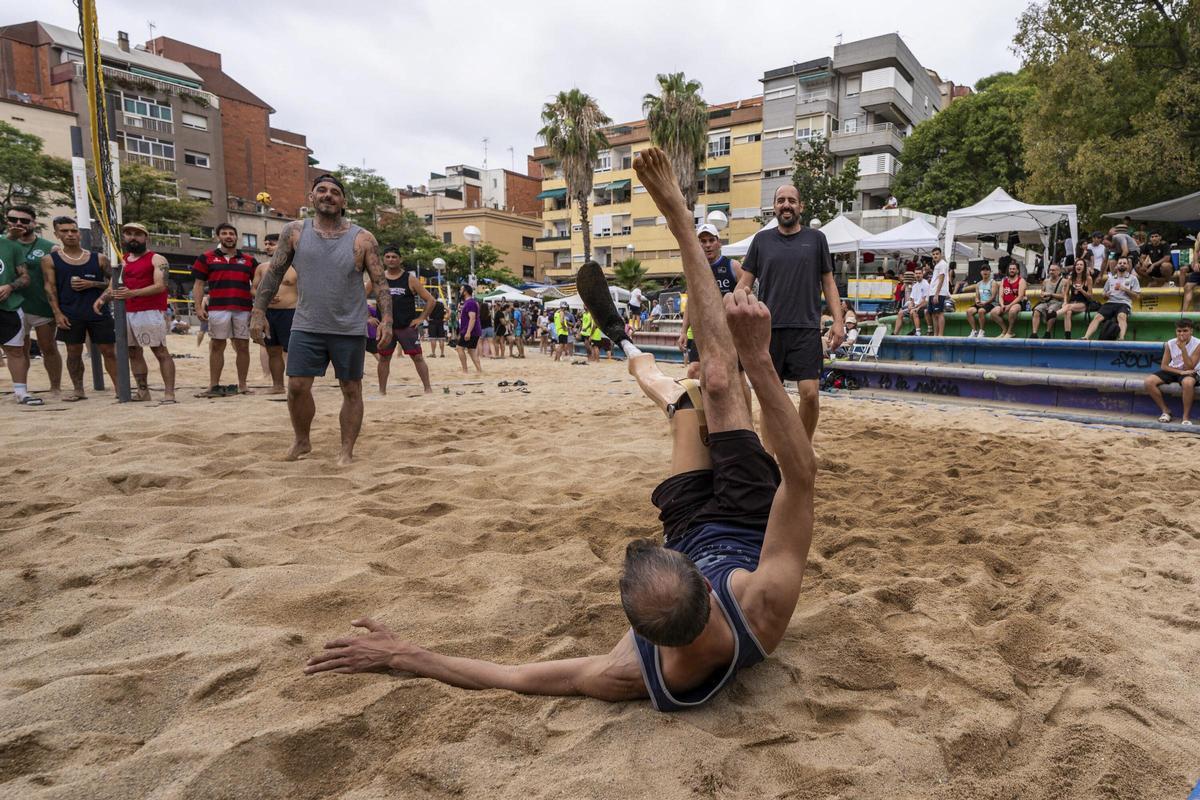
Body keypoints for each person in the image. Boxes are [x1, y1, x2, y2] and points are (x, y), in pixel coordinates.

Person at [304, 148, 818, 712]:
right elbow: (800, 478)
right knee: (720, 378)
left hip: (695, 524)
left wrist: (410, 657)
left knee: (687, 401)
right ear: (698, 587)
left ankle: (640, 361)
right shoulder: (760, 601)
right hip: (747, 525)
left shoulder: (625, 670)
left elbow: (517, 676)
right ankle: (676, 225)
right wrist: (758, 360)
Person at [250, 174, 392, 467]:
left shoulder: (363, 238)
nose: (328, 195)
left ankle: (346, 451)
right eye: (322, 191)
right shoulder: (294, 232)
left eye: (335, 192)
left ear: (344, 202)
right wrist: (258, 312)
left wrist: (387, 320)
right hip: (306, 323)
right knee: (297, 387)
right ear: (311, 197)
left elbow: (380, 282)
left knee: (351, 388)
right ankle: (302, 441)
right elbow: (274, 273)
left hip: (348, 326)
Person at [735, 183, 843, 439]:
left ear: (800, 206)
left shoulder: (816, 239)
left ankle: (802, 447)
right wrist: (732, 308)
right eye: (781, 200)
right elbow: (745, 284)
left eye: (792, 201)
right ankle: (770, 458)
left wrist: (839, 322)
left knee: (810, 393)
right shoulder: (761, 240)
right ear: (774, 206)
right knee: (771, 398)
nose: (786, 205)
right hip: (768, 331)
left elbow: (828, 283)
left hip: (806, 328)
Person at [95, 222, 176, 403]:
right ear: (124, 237)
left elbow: (161, 285)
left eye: (138, 234)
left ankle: (169, 392)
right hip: (126, 311)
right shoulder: (121, 260)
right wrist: (102, 299)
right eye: (129, 234)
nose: (133, 237)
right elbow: (112, 286)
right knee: (133, 352)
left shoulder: (157, 259)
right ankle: (143, 391)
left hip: (150, 311)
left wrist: (133, 293)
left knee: (160, 351)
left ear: (146, 237)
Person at [41, 216, 118, 400]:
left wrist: (93, 285)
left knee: (108, 350)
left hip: (98, 311)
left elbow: (114, 281)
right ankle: (78, 389)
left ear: (80, 234)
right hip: (70, 311)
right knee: (73, 352)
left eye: (73, 230)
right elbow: (49, 287)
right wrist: (57, 313)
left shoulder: (98, 258)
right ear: (57, 234)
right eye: (64, 231)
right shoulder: (49, 260)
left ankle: (119, 387)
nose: (70, 234)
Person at [193, 223, 257, 396]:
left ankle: (243, 385)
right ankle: (214, 385)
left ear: (237, 237)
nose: (229, 236)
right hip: (218, 308)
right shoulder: (206, 258)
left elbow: (258, 285)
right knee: (216, 346)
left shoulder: (249, 260)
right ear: (218, 237)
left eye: (232, 233)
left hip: (243, 308)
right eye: (224, 233)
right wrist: (198, 307)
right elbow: (198, 285)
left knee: (243, 346)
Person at [7, 204, 63, 398]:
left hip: (41, 306)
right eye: (14, 220)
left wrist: (58, 307)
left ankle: (55, 386)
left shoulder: (49, 248)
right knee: (20, 349)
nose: (18, 224)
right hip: (14, 305)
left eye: (24, 220)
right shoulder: (3, 244)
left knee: (48, 347)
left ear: (34, 222)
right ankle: (22, 388)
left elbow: (59, 280)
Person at [679, 223, 743, 379]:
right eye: (703, 241)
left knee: (738, 376)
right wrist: (683, 331)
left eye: (711, 240)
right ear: (698, 244)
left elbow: (748, 294)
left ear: (718, 242)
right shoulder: (694, 270)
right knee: (694, 371)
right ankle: (699, 404)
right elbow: (691, 303)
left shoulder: (732, 266)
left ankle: (745, 405)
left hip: (730, 330)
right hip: (703, 330)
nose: (707, 245)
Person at [375, 247, 435, 394]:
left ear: (400, 259)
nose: (391, 259)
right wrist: (368, 316)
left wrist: (421, 318)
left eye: (394, 257)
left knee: (418, 357)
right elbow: (359, 297)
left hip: (406, 326)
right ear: (383, 259)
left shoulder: (409, 278)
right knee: (384, 359)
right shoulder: (379, 278)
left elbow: (431, 300)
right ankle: (382, 391)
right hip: (386, 328)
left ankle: (428, 388)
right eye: (387, 256)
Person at [251, 233, 294, 395]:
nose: (268, 246)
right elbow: (253, 289)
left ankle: (296, 385)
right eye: (266, 243)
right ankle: (278, 385)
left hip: (291, 312)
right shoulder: (262, 268)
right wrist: (264, 297)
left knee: (294, 350)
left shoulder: (296, 266)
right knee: (273, 350)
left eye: (272, 243)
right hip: (269, 313)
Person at [0, 225, 38, 404]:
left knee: (15, 350)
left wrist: (10, 286)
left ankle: (21, 392)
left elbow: (25, 277)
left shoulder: (10, 246)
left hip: (9, 307)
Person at [1144, 319, 1198, 425]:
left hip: (1191, 371)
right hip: (1175, 370)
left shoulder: (1198, 344)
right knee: (1148, 382)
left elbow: (1189, 366)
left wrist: (1183, 349)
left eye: (1185, 331)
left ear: (1191, 331)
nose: (1181, 334)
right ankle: (1165, 411)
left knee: (1188, 383)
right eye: (1179, 331)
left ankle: (1185, 417)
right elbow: (1164, 366)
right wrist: (1179, 372)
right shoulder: (1170, 343)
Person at [1081, 256, 1140, 341]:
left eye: (1124, 263)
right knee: (1098, 317)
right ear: (1117, 266)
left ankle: (1121, 338)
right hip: (1110, 302)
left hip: (1124, 303)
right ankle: (1086, 336)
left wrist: (1125, 289)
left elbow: (1137, 296)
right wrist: (1106, 295)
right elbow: (1103, 295)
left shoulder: (1132, 278)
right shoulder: (1111, 279)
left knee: (1121, 316)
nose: (1122, 265)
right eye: (1120, 263)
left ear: (1128, 266)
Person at [988, 262, 1026, 338]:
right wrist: (1002, 305)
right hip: (1004, 303)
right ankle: (1004, 330)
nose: (1011, 270)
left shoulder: (1021, 281)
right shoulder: (1004, 280)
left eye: (1014, 269)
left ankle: (1010, 331)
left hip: (1017, 303)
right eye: (1010, 269)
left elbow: (1020, 296)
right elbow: (1001, 295)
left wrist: (1009, 306)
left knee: (1012, 311)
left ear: (1017, 271)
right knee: (993, 313)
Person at [1029, 262, 1066, 339]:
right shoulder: (1046, 281)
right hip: (1045, 302)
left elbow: (1063, 296)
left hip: (1057, 302)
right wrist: (1042, 295)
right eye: (1050, 270)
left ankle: (1047, 332)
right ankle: (1034, 333)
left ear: (1059, 271)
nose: (1051, 272)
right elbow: (1041, 292)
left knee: (1051, 311)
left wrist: (1050, 294)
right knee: (1036, 310)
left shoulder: (1064, 281)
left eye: (1053, 270)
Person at [454, 284, 483, 375]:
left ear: (465, 291)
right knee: (471, 351)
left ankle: (465, 370)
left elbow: (472, 318)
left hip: (470, 331)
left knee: (459, 348)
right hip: (472, 330)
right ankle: (479, 370)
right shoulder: (469, 302)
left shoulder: (470, 303)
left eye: (461, 289)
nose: (460, 291)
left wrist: (468, 332)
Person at [893, 264, 929, 336]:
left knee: (913, 311)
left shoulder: (926, 284)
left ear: (922, 274)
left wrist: (916, 307)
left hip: (923, 307)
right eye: (916, 273)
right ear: (914, 275)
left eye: (919, 273)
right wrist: (910, 305)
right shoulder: (915, 285)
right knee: (900, 313)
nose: (918, 275)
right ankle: (895, 333)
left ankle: (918, 332)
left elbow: (926, 300)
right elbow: (911, 299)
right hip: (915, 307)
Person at [966, 264, 998, 338]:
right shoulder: (978, 284)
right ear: (980, 272)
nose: (985, 272)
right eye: (983, 270)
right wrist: (977, 301)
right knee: (969, 311)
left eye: (987, 270)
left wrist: (985, 303)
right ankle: (974, 331)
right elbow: (977, 296)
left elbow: (993, 297)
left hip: (991, 303)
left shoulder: (993, 283)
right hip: (981, 303)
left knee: (981, 311)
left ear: (990, 272)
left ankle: (982, 331)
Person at [928, 247, 951, 336]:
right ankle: (935, 334)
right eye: (933, 254)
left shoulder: (942, 264)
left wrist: (937, 294)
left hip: (939, 293)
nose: (935, 256)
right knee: (934, 314)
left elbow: (941, 280)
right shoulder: (937, 265)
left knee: (939, 313)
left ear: (941, 255)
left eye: (937, 254)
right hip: (933, 292)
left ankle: (940, 335)